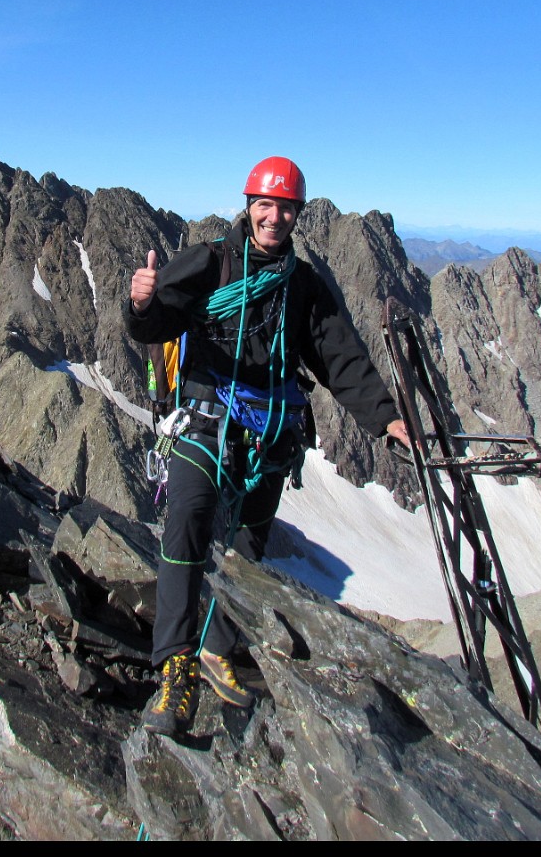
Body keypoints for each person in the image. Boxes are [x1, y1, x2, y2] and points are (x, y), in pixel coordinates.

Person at [125, 156, 410, 735]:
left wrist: (386, 419)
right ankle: (174, 669)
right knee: (188, 524)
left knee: (247, 546)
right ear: (248, 205)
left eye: (285, 208)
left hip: (271, 434)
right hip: (205, 421)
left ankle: (217, 648)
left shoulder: (302, 285)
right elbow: (157, 324)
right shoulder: (211, 261)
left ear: (296, 214)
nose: (274, 217)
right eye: (266, 205)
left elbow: (340, 356)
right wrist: (142, 302)